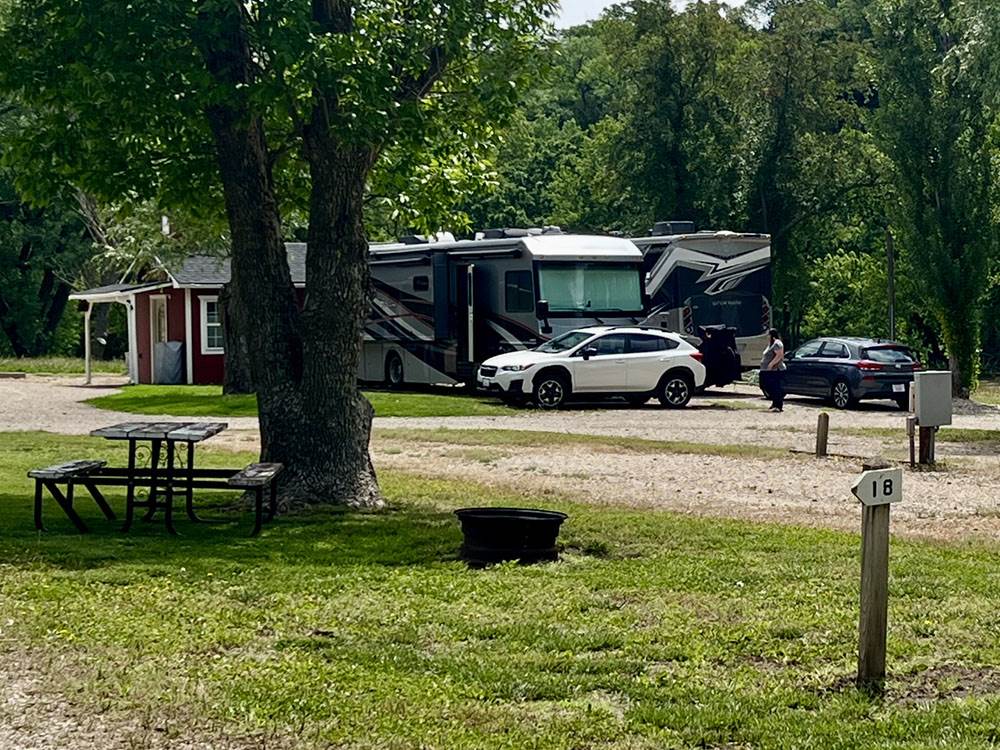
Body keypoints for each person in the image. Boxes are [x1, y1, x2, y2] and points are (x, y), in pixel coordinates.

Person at [759, 328, 786, 412]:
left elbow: (779, 355)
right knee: (766, 385)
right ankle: (774, 403)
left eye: (768, 335)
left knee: (775, 387)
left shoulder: (777, 343)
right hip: (766, 370)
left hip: (775, 370)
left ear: (772, 335)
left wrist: (771, 364)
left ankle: (778, 405)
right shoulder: (771, 344)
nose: (767, 337)